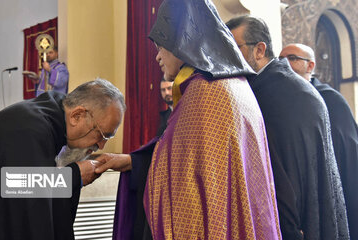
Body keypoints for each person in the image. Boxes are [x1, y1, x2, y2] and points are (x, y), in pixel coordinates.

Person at [95, 0, 282, 239]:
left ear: (183, 41)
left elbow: (183, 188)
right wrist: (131, 161)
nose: (157, 57)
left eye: (161, 46)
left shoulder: (203, 93)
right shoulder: (234, 84)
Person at [226, 16, 350, 240]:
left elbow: (284, 172)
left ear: (259, 50)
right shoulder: (278, 85)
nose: (228, 57)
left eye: (234, 48)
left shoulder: (278, 93)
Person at [0, 78, 126, 240]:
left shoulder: (51, 120)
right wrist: (74, 176)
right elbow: (15, 185)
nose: (101, 146)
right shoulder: (29, 130)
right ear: (77, 116)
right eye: (102, 135)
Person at [280, 43, 358, 239]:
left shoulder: (330, 99)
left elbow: (346, 148)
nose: (284, 63)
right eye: (281, 59)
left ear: (310, 66)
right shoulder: (283, 100)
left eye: (291, 58)